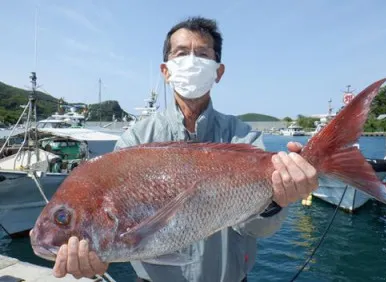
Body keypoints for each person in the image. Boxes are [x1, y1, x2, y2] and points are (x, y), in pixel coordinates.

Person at [48, 16, 318, 282]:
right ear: (166, 71)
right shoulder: (134, 140)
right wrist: (94, 262)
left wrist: (277, 201)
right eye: (181, 53)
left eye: (202, 54)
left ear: (218, 72)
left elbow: (258, 229)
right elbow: (113, 241)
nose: (191, 61)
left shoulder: (244, 138)